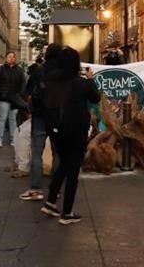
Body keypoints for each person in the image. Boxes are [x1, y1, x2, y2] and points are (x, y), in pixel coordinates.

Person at [40, 46, 100, 226]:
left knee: (63, 164)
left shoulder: (50, 79)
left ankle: (51, 201)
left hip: (56, 129)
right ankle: (67, 212)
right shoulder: (81, 83)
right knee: (73, 170)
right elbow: (95, 98)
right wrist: (91, 80)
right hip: (76, 130)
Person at [20, 44, 61, 202]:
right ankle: (54, 189)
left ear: (46, 55)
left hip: (40, 116)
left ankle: (35, 189)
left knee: (37, 152)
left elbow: (28, 91)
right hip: (57, 117)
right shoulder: (62, 74)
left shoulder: (38, 71)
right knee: (58, 153)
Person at [0, 51, 26, 148]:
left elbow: (23, 83)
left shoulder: (19, 70)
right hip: (4, 97)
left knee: (13, 119)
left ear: (15, 59)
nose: (11, 58)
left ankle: (13, 139)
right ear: (6, 58)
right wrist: (1, 93)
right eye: (9, 56)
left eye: (13, 57)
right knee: (2, 118)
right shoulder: (2, 69)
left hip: (15, 98)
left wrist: (20, 94)